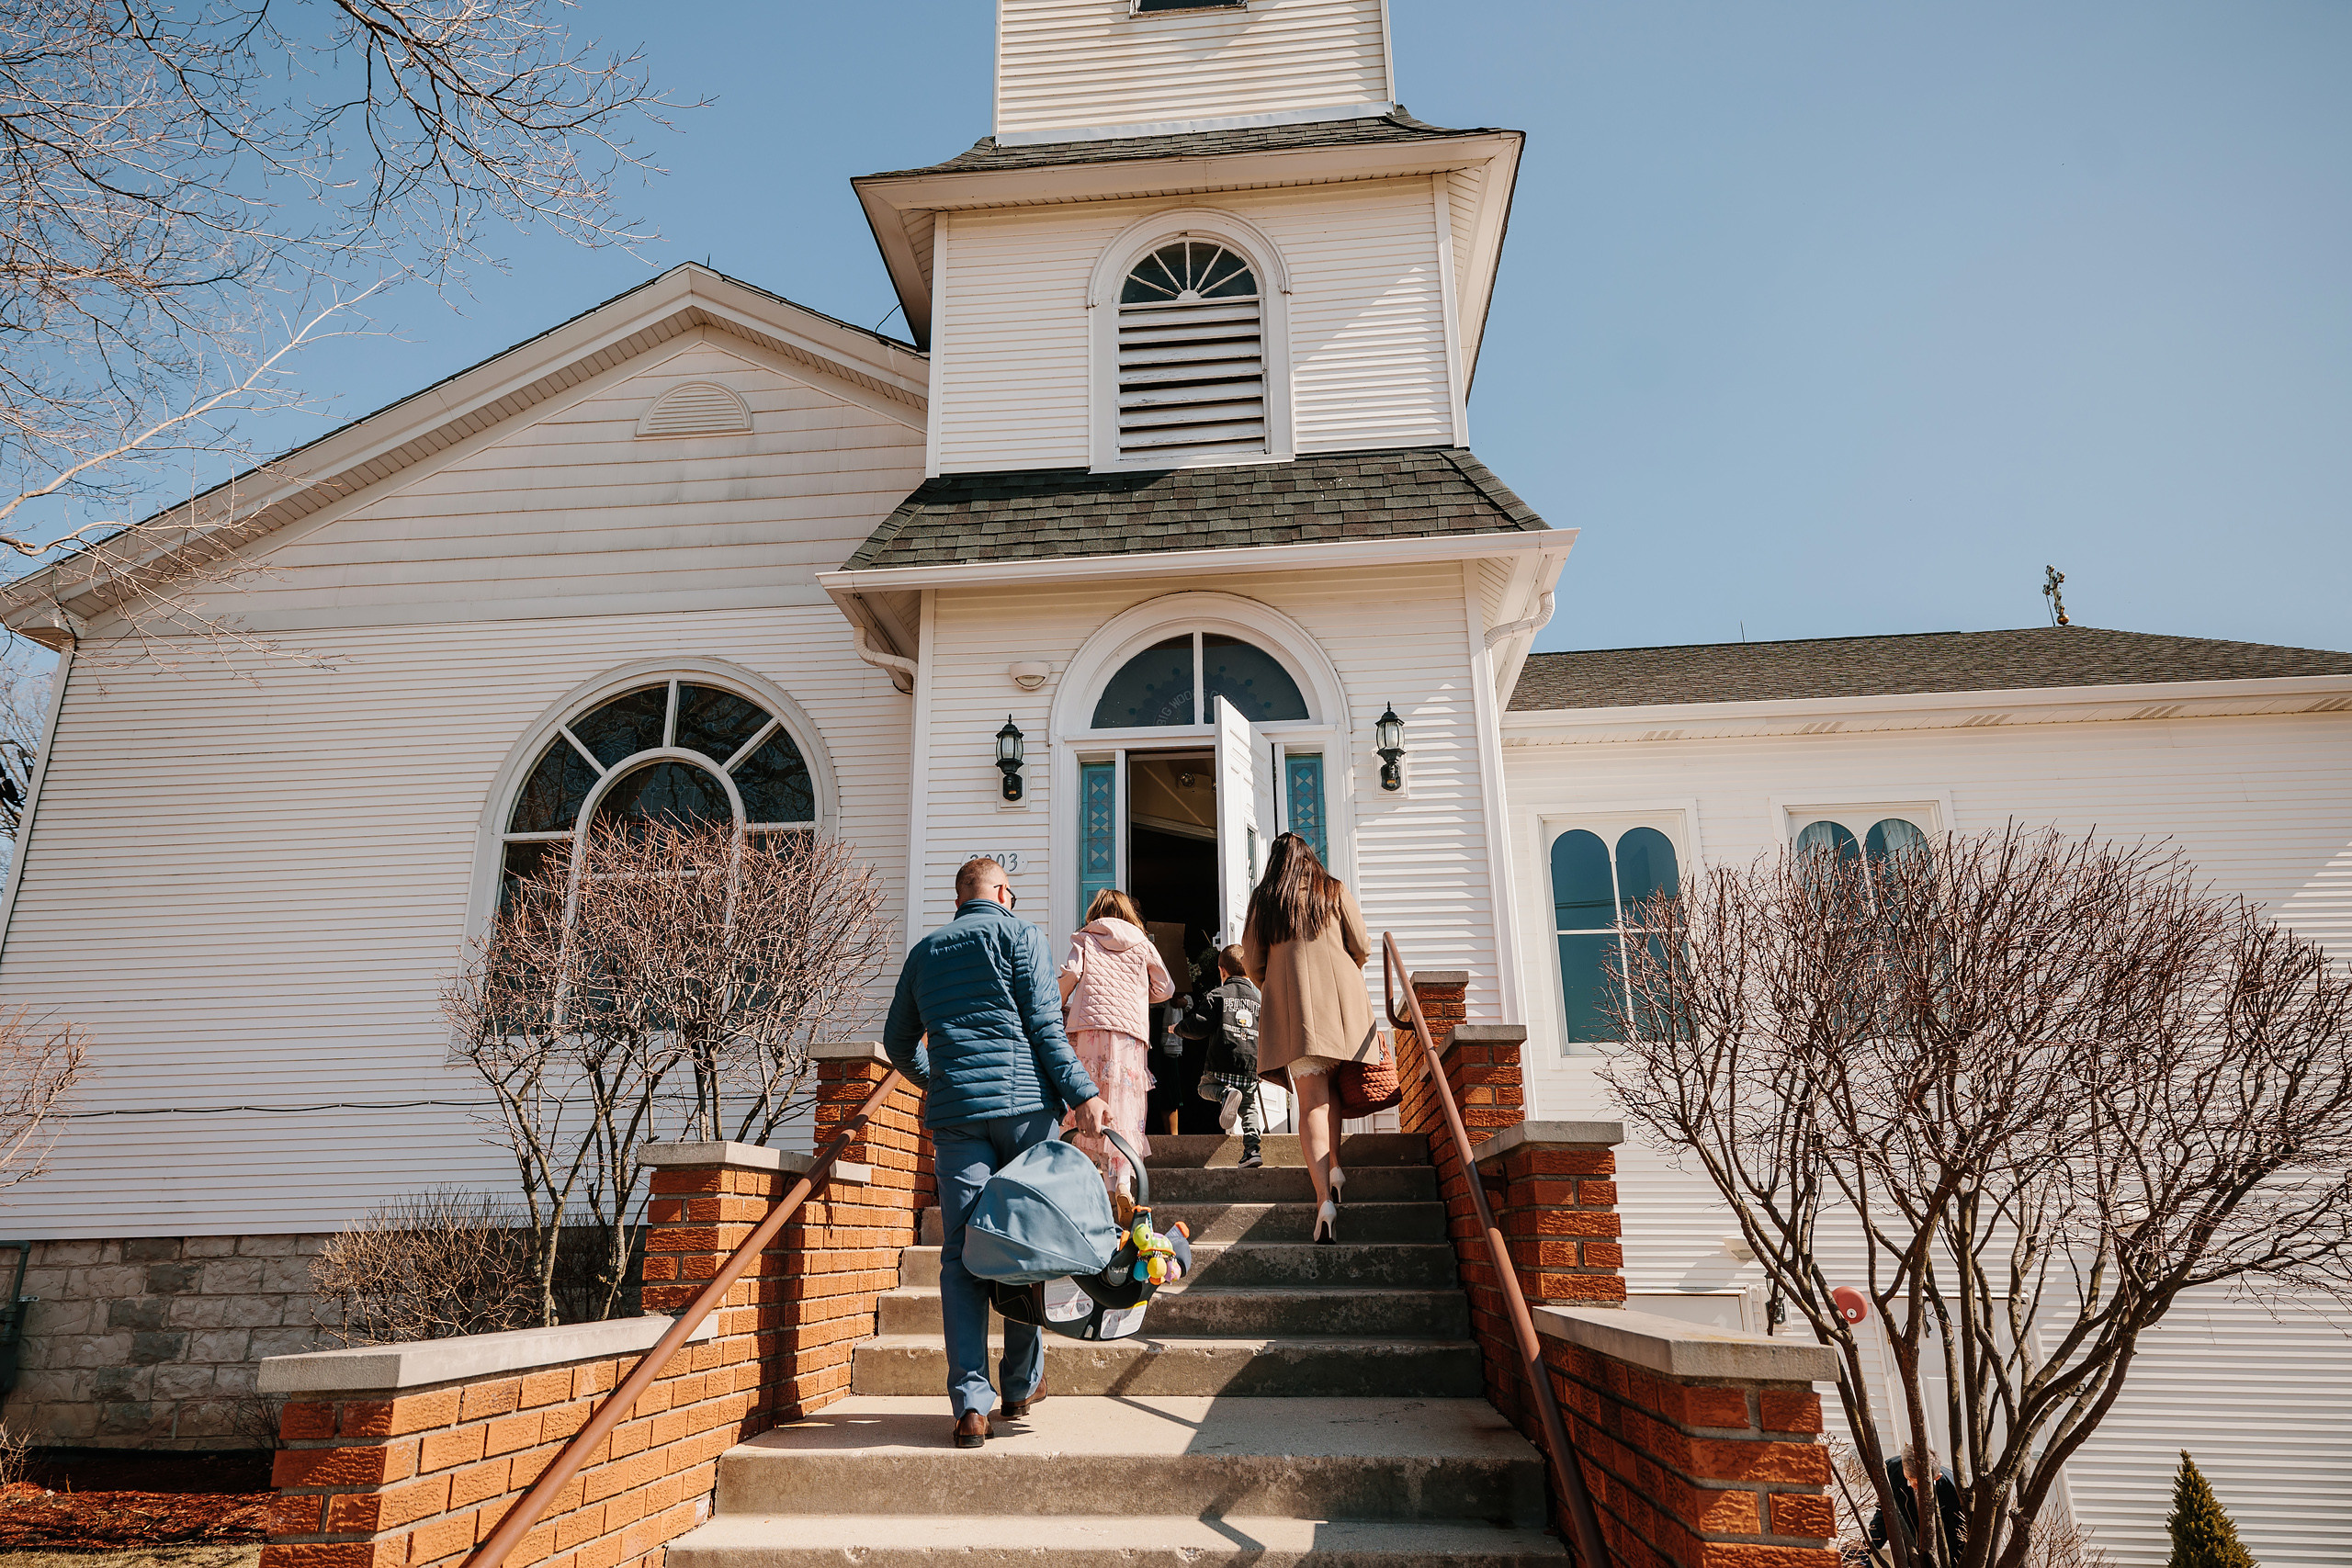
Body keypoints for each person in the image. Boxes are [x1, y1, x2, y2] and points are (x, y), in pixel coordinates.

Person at [883, 856, 1109, 1450]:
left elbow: (897, 1041)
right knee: (1025, 1244)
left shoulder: (926, 953)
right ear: (1003, 892)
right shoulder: (1022, 935)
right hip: (1024, 1109)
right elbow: (1044, 1028)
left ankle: (969, 1406)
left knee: (961, 1254)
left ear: (962, 898)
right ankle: (1018, 1384)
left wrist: (938, 1079)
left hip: (957, 1119)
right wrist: (1083, 1094)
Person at [1240, 831, 1376, 1244]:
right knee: (1329, 1092)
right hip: (1340, 1014)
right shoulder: (1332, 890)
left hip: (1296, 1016)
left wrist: (1277, 985)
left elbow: (1251, 960)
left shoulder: (1266, 900)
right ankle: (1334, 1165)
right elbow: (1364, 946)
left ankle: (1323, 1201)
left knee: (1312, 1101)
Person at [1057, 888, 1173, 1194]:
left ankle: (1090, 1178)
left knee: (1087, 1096)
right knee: (1124, 1104)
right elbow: (1166, 988)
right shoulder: (1141, 942)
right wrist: (1139, 995)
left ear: (1096, 911)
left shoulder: (1085, 937)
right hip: (1129, 1032)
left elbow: (1071, 972)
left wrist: (1058, 998)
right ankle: (1122, 1181)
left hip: (1088, 1026)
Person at [1177, 943, 1264, 1168]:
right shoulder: (1259, 1001)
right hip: (1250, 1064)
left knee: (1204, 1088)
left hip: (1223, 1061)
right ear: (1248, 971)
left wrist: (1178, 1028)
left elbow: (1199, 1026)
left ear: (1221, 970)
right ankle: (1253, 1150)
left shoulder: (1218, 995)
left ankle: (1225, 1094)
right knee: (1248, 1107)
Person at [1865, 1445, 1966, 1565]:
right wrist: (1864, 1549)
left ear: (1937, 1477)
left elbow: (1960, 1532)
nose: (1913, 1485)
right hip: (1909, 1552)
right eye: (1909, 1479)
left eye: (1919, 1483)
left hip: (1944, 1555)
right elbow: (1885, 1516)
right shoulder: (1890, 1472)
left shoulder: (1952, 1488)